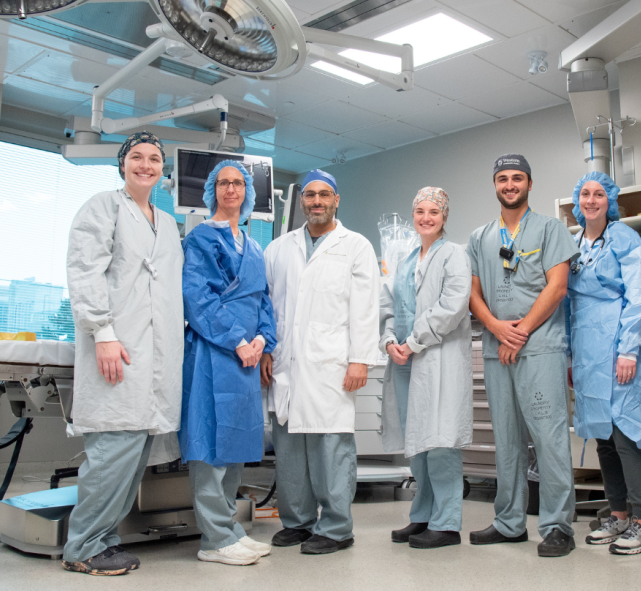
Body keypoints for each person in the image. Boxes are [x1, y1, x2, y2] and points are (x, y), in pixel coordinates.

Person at [63, 131, 184, 575]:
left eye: (154, 159)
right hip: (118, 348)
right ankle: (83, 547)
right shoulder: (102, 207)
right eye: (137, 157)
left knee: (132, 455)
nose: (146, 165)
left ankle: (104, 540)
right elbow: (84, 272)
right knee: (112, 453)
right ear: (122, 164)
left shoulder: (167, 222)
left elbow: (169, 291)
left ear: (162, 168)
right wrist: (102, 332)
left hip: (156, 356)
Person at [261, 169, 380, 555]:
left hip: (332, 362)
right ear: (301, 202)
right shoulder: (278, 249)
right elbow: (267, 305)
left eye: (324, 194)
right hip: (285, 362)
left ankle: (336, 528)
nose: (316, 201)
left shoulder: (355, 246)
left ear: (336, 200)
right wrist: (266, 349)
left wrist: (360, 359)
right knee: (290, 445)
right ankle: (297, 522)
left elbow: (365, 309)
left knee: (331, 447)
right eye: (310, 195)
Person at [466, 154, 580, 557]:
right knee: (507, 440)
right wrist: (498, 329)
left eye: (517, 178)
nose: (509, 184)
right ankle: (510, 522)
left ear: (529, 184)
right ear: (494, 185)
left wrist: (522, 330)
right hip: (498, 349)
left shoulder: (551, 230)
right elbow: (473, 293)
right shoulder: (480, 237)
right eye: (502, 178)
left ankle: (557, 526)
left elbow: (557, 287)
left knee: (548, 438)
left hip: (539, 347)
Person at [564, 171, 641, 555]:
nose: (590, 200)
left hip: (619, 345)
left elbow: (638, 295)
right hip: (587, 350)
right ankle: (619, 516)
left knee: (626, 436)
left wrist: (628, 349)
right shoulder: (574, 243)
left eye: (598, 194)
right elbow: (567, 303)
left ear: (608, 201)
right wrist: (569, 354)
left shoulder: (625, 238)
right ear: (577, 202)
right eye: (584, 194)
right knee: (603, 440)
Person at [181, 160, 277, 566]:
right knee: (209, 444)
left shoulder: (254, 246)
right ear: (212, 191)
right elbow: (197, 297)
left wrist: (261, 339)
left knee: (235, 444)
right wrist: (237, 341)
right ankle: (214, 538)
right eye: (223, 183)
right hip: (213, 352)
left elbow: (264, 301)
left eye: (238, 183)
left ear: (248, 191)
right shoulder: (201, 238)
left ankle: (230, 527)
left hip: (247, 358)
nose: (231, 189)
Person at [379, 187, 473, 549]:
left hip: (436, 359)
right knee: (415, 443)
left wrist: (414, 341)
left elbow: (452, 306)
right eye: (420, 211)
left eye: (434, 212)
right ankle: (422, 516)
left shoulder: (454, 255)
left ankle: (446, 523)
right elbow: (387, 306)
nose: (426, 218)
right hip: (404, 362)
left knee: (440, 440)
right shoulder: (405, 261)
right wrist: (389, 342)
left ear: (444, 217)